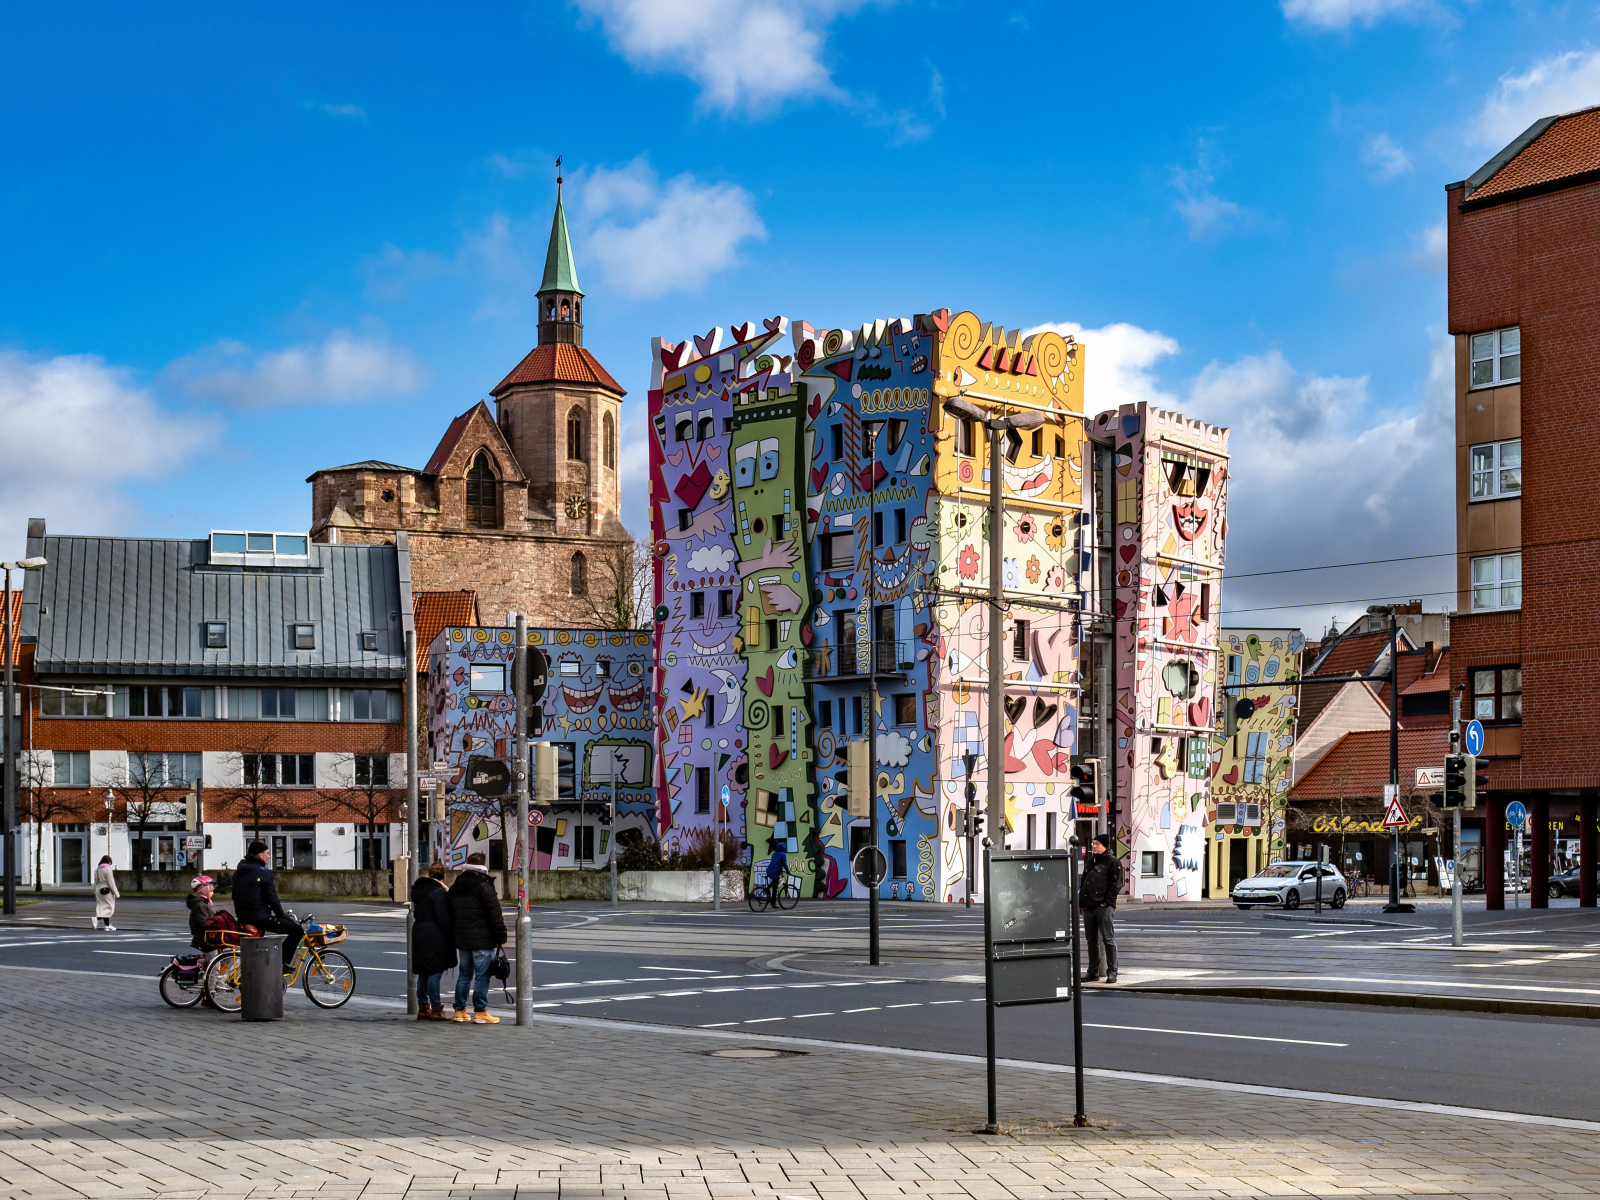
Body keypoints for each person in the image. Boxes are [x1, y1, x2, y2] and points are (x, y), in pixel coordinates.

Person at [448, 851, 505, 1024]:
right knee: (482, 976)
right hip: (482, 939)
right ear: (483, 867)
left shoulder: (455, 886)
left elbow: (450, 912)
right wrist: (501, 936)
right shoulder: (484, 886)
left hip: (463, 939)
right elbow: (495, 914)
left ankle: (459, 1011)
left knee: (464, 975)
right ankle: (480, 1012)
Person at [233, 839, 302, 974]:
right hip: (259, 918)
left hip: (243, 917)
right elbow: (272, 898)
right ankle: (281, 963)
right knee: (297, 931)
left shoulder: (239, 871)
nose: (269, 856)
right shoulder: (262, 872)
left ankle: (251, 976)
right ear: (260, 855)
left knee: (256, 949)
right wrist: (282, 915)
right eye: (267, 853)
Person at [411, 862, 455, 1021]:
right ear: (443, 876)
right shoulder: (438, 892)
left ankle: (423, 1008)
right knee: (435, 972)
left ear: (429, 874)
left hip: (419, 932)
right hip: (435, 934)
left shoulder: (419, 890)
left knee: (423, 971)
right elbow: (443, 917)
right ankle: (436, 1009)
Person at [1078, 835, 1121, 984]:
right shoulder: (1091, 861)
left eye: (1096, 844)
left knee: (1108, 939)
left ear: (1104, 845)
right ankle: (1092, 972)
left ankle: (1112, 971)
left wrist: (1107, 903)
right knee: (1091, 940)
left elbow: (1116, 884)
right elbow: (1084, 882)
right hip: (1089, 907)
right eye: (1093, 844)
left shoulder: (1112, 862)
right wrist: (1081, 903)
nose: (1094, 846)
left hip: (1103, 908)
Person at [92, 855, 119, 931]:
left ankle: (107, 926)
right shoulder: (107, 870)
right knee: (109, 908)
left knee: (102, 907)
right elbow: (111, 883)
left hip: (99, 889)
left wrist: (95, 891)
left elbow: (95, 882)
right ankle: (96, 919)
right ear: (109, 862)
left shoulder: (97, 870)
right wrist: (116, 893)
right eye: (110, 863)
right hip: (106, 890)